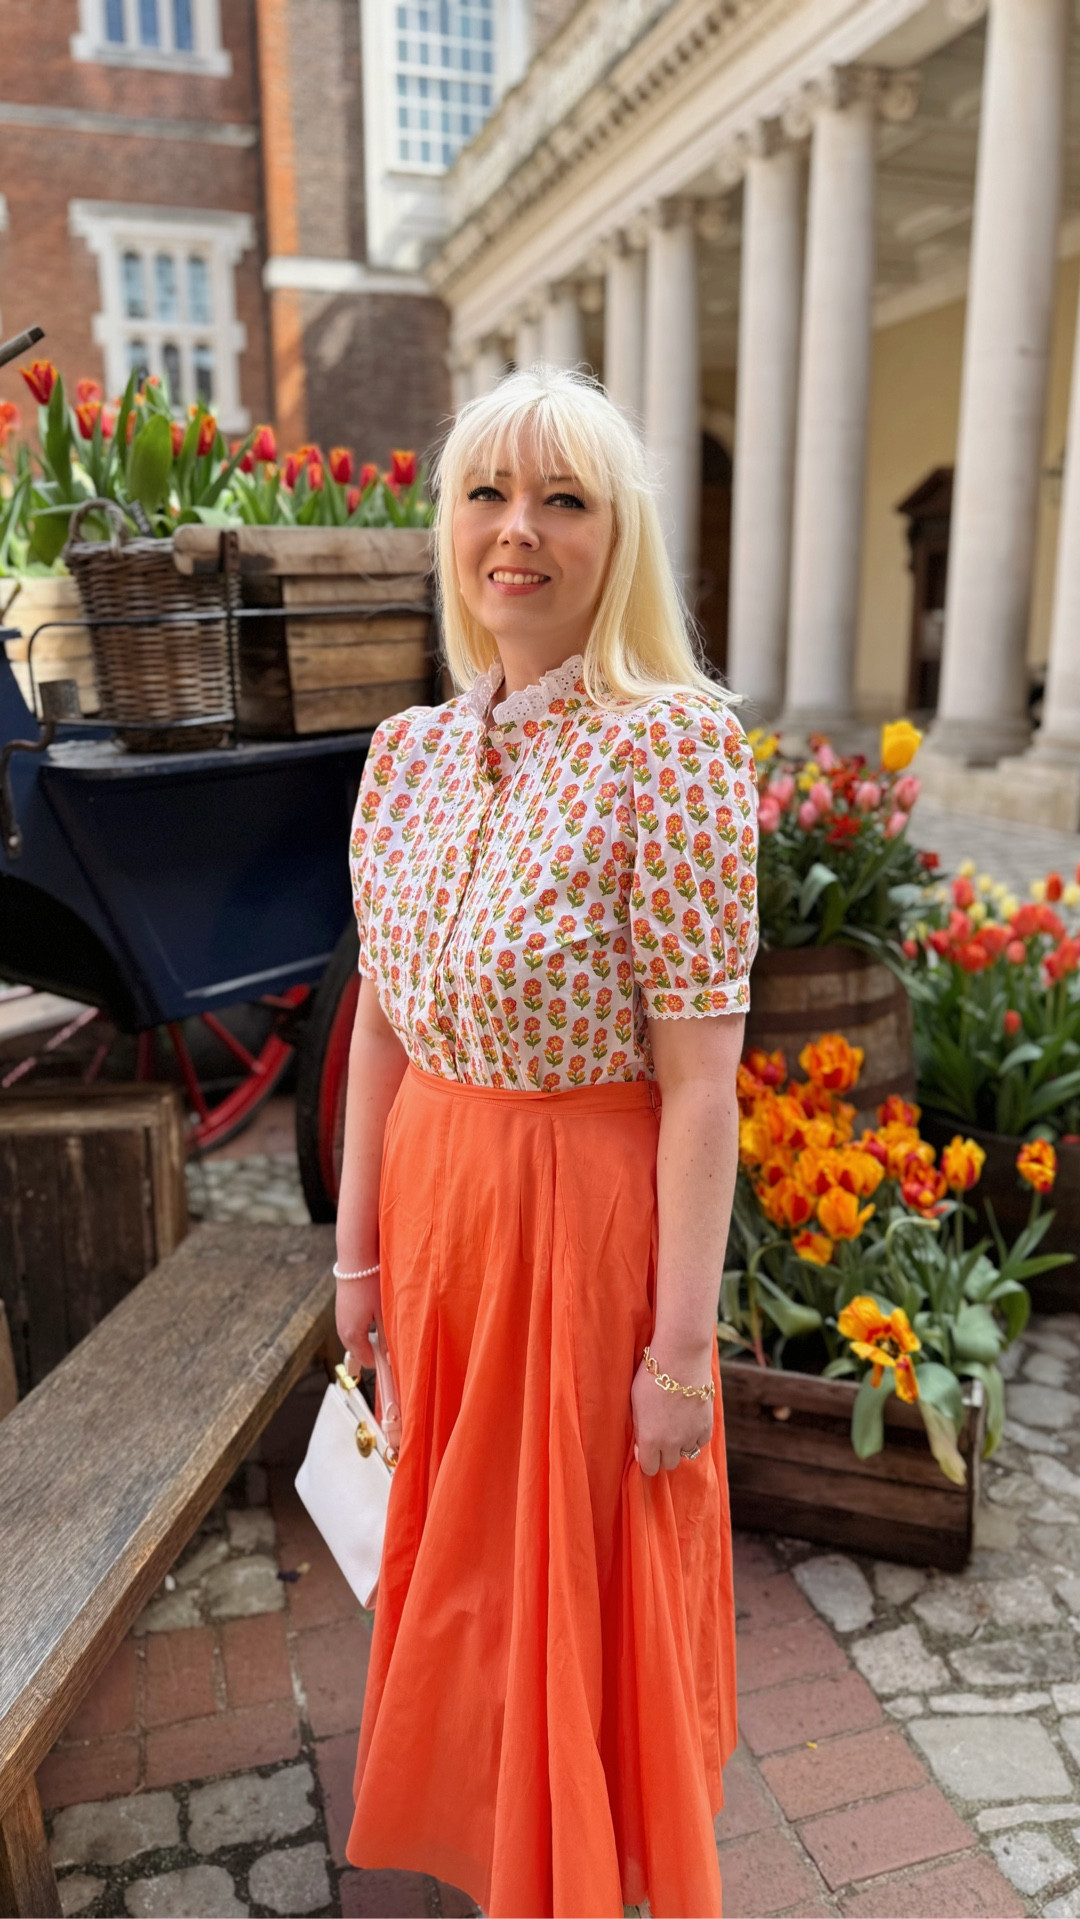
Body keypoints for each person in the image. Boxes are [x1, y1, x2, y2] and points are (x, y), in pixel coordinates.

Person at [335, 364, 759, 1919]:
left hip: (582, 1233)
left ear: (617, 536)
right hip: (440, 1219)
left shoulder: (675, 750)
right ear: (449, 527)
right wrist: (355, 1262)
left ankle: (571, 1869)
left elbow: (704, 1083)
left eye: (563, 500)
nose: (518, 531)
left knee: (572, 1575)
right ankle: (496, 1840)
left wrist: (680, 1354)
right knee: (464, 1575)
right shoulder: (405, 758)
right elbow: (380, 1021)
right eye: (487, 496)